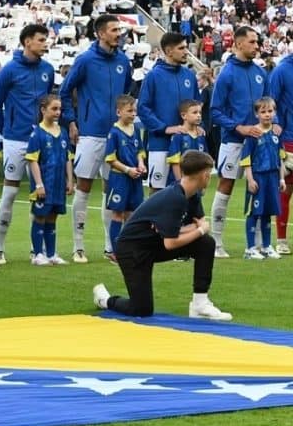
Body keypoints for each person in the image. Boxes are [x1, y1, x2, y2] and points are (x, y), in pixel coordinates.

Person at [93, 150, 232, 321]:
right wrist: (198, 229)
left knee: (205, 243)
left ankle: (200, 303)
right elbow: (172, 243)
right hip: (133, 250)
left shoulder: (193, 195)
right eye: (209, 173)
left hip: (154, 243)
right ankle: (105, 300)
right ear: (204, 175)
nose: (210, 177)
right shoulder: (175, 198)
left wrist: (193, 230)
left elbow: (199, 225)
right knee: (141, 309)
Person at [59, 14, 132, 264]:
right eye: (114, 30)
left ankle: (110, 246)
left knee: (113, 191)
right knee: (85, 187)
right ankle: (78, 246)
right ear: (100, 33)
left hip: (117, 135)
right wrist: (71, 121)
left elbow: (126, 95)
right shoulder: (86, 60)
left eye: (120, 29)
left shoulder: (124, 60)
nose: (118, 33)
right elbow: (65, 91)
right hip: (90, 133)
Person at [0, 24, 55, 265]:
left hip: (41, 139)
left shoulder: (48, 69)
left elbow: (48, 103)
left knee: (40, 193)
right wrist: (8, 131)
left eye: (46, 39)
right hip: (15, 139)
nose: (45, 43)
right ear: (27, 42)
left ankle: (36, 250)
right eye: (41, 39)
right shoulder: (9, 70)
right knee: (10, 191)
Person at [210, 26, 270, 258]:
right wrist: (238, 127)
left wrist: (271, 126)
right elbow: (215, 111)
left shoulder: (260, 73)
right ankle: (216, 242)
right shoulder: (226, 74)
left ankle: (256, 244)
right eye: (253, 42)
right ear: (238, 44)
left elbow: (268, 106)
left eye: (258, 42)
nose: (257, 46)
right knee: (226, 186)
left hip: (259, 143)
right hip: (233, 141)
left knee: (259, 188)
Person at [138, 32, 199, 193]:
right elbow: (143, 108)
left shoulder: (189, 76)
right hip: (160, 143)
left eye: (186, 47)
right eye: (182, 48)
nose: (186, 51)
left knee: (188, 189)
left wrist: (197, 125)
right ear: (169, 51)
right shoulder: (153, 76)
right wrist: (164, 128)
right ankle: (153, 220)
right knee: (157, 191)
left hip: (186, 144)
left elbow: (196, 105)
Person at [26, 94, 73, 266]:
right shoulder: (37, 133)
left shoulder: (63, 132)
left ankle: (51, 253)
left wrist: (70, 179)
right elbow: (32, 160)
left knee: (52, 218)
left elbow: (68, 157)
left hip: (58, 183)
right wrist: (39, 184)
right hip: (44, 183)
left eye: (59, 109)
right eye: (54, 108)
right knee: (40, 217)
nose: (58, 112)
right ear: (43, 110)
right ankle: (37, 254)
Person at [240, 97, 286, 260]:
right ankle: (250, 248)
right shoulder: (253, 134)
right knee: (254, 212)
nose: (267, 115)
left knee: (268, 212)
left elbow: (280, 157)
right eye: (263, 111)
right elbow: (246, 160)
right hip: (258, 177)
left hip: (273, 177)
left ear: (274, 112)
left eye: (270, 111)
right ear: (256, 114)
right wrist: (250, 180)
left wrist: (282, 179)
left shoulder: (276, 133)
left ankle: (266, 246)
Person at [104, 95, 146, 259]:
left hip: (134, 178)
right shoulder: (114, 133)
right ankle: (115, 251)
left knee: (132, 214)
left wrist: (141, 163)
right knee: (118, 214)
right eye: (129, 111)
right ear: (118, 112)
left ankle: (130, 248)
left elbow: (140, 151)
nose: (133, 114)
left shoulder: (135, 130)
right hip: (120, 178)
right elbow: (110, 159)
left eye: (134, 110)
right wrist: (127, 169)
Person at [268, 52, 293, 254]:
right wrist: (275, 124)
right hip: (289, 139)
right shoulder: (282, 70)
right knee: (286, 189)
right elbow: (271, 101)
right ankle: (282, 240)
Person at [166, 99, 207, 183]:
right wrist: (180, 183)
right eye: (195, 113)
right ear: (184, 116)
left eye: (200, 113)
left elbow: (205, 161)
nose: (198, 115)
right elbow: (175, 162)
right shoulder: (178, 136)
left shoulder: (201, 136)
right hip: (182, 183)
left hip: (197, 182)